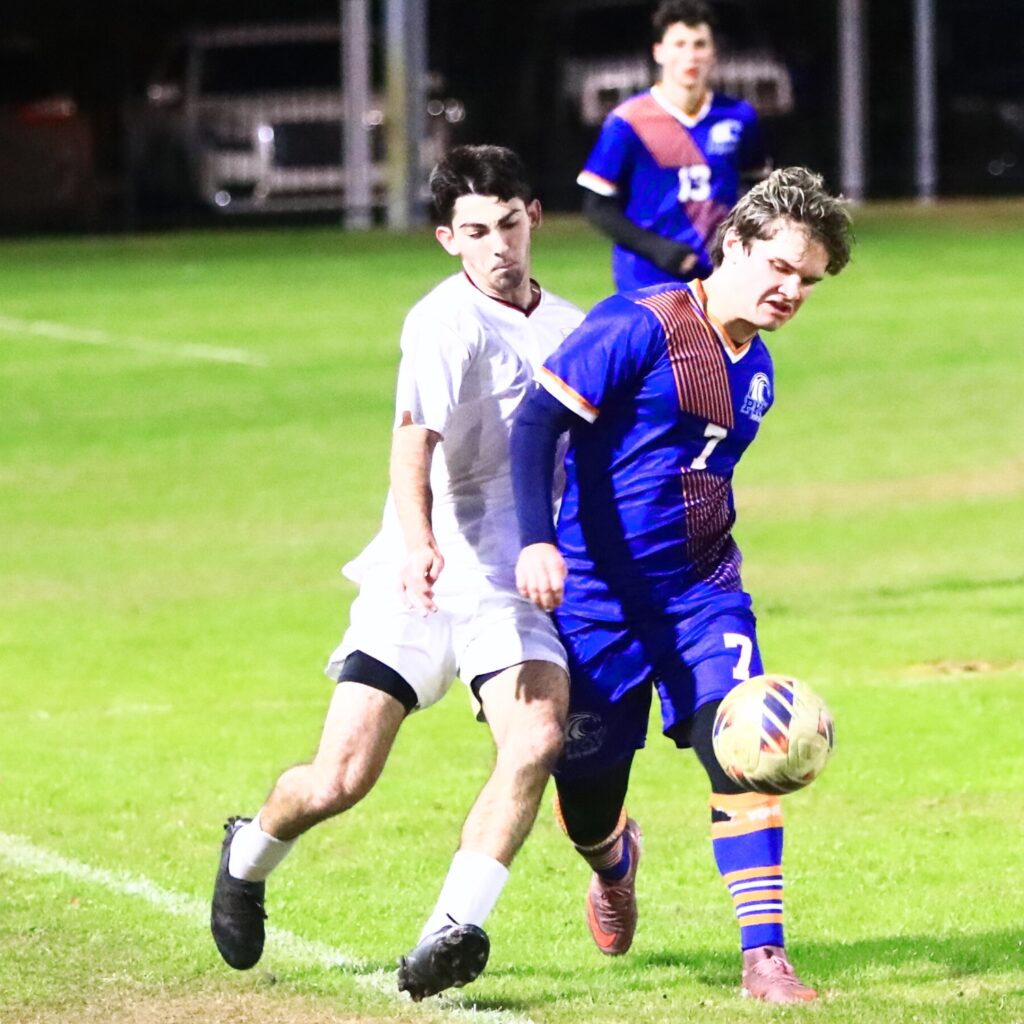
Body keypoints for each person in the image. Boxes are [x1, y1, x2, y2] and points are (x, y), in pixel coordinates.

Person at [210, 144, 584, 1002]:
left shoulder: (570, 328)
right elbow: (412, 443)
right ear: (448, 239)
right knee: (340, 779)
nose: (499, 245)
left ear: (536, 219)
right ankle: (248, 851)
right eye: (478, 230)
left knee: (534, 739)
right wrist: (417, 543)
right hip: (418, 577)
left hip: (511, 580)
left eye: (511, 223)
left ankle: (452, 928)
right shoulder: (442, 323)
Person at [512, 167, 853, 1003]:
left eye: (806, 280)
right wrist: (534, 543)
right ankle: (614, 862)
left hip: (703, 594)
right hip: (595, 601)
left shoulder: (758, 370)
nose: (791, 290)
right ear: (733, 245)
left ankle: (763, 957)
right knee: (588, 799)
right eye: (778, 267)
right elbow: (536, 419)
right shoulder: (640, 324)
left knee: (745, 752)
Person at [578, 0, 769, 292]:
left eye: (699, 44)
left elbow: (756, 189)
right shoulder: (629, 120)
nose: (690, 56)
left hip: (720, 275)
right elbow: (597, 205)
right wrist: (657, 248)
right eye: (679, 44)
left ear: (713, 52)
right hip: (646, 276)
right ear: (659, 52)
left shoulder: (739, 116)